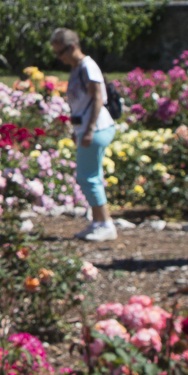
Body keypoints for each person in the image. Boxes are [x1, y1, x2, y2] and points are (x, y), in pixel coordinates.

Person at [49, 27, 118, 243]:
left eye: (60, 52)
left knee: (87, 177)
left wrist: (88, 129)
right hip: (87, 128)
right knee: (91, 176)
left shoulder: (88, 66)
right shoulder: (78, 67)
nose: (58, 58)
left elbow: (98, 98)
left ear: (72, 47)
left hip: (97, 128)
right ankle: (97, 222)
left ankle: (106, 223)